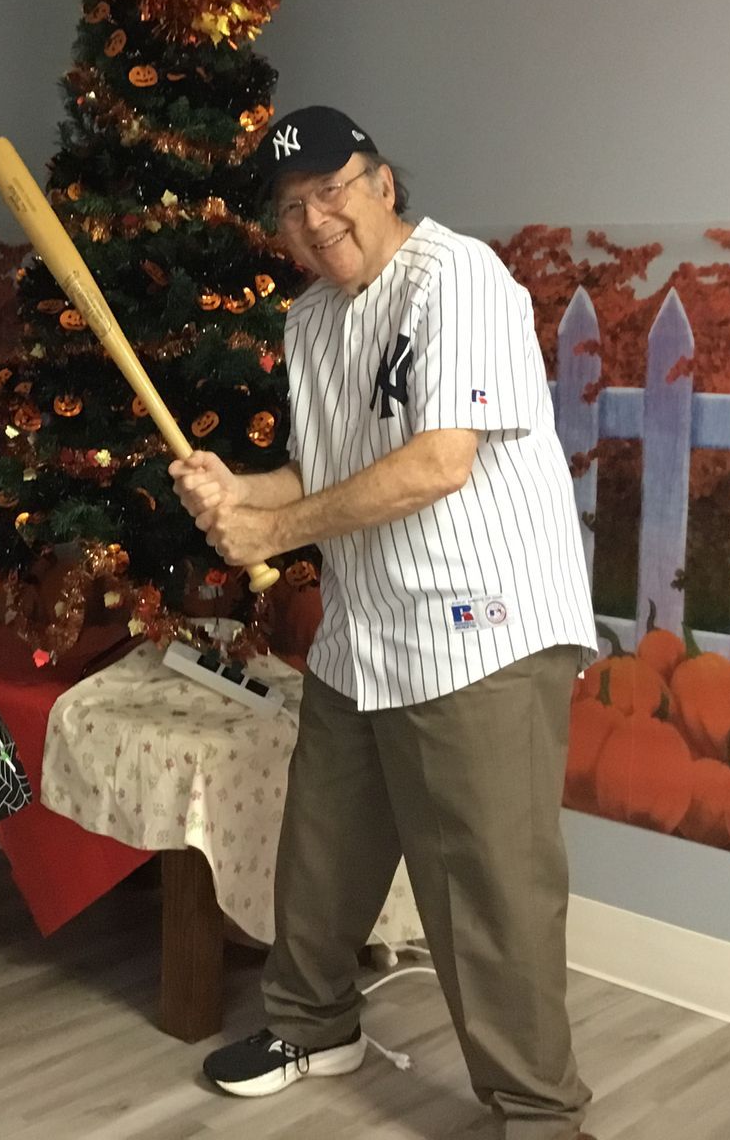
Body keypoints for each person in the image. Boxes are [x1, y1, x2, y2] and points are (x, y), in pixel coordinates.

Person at [169, 105, 599, 1140]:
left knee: (489, 887)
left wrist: (278, 524)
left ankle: (539, 1113)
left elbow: (437, 464)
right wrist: (242, 492)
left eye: (333, 190)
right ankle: (313, 1024)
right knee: (324, 848)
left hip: (482, 630)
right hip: (369, 630)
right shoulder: (312, 318)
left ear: (383, 182)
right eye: (292, 208)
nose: (318, 220)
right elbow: (326, 471)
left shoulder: (459, 280)